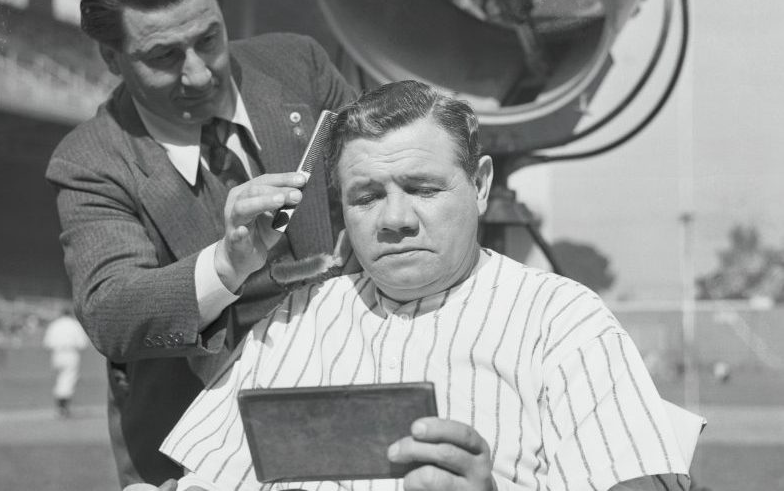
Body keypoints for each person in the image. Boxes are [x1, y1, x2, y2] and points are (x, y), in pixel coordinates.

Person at [159, 80, 703, 491]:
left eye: (422, 188)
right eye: (366, 197)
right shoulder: (296, 318)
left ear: (480, 184)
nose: (395, 218)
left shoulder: (560, 319)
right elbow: (203, 479)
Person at [45, 0, 356, 486]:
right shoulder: (89, 160)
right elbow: (113, 315)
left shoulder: (299, 64)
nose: (199, 74)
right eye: (163, 57)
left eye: (209, 39)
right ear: (111, 58)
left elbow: (380, 172)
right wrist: (227, 262)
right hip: (196, 456)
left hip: (347, 417)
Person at [43, 308, 90, 418]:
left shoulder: (54, 325)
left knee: (60, 379)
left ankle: (60, 407)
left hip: (56, 354)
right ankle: (63, 408)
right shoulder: (74, 325)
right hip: (70, 353)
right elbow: (83, 343)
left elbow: (47, 343)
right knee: (68, 380)